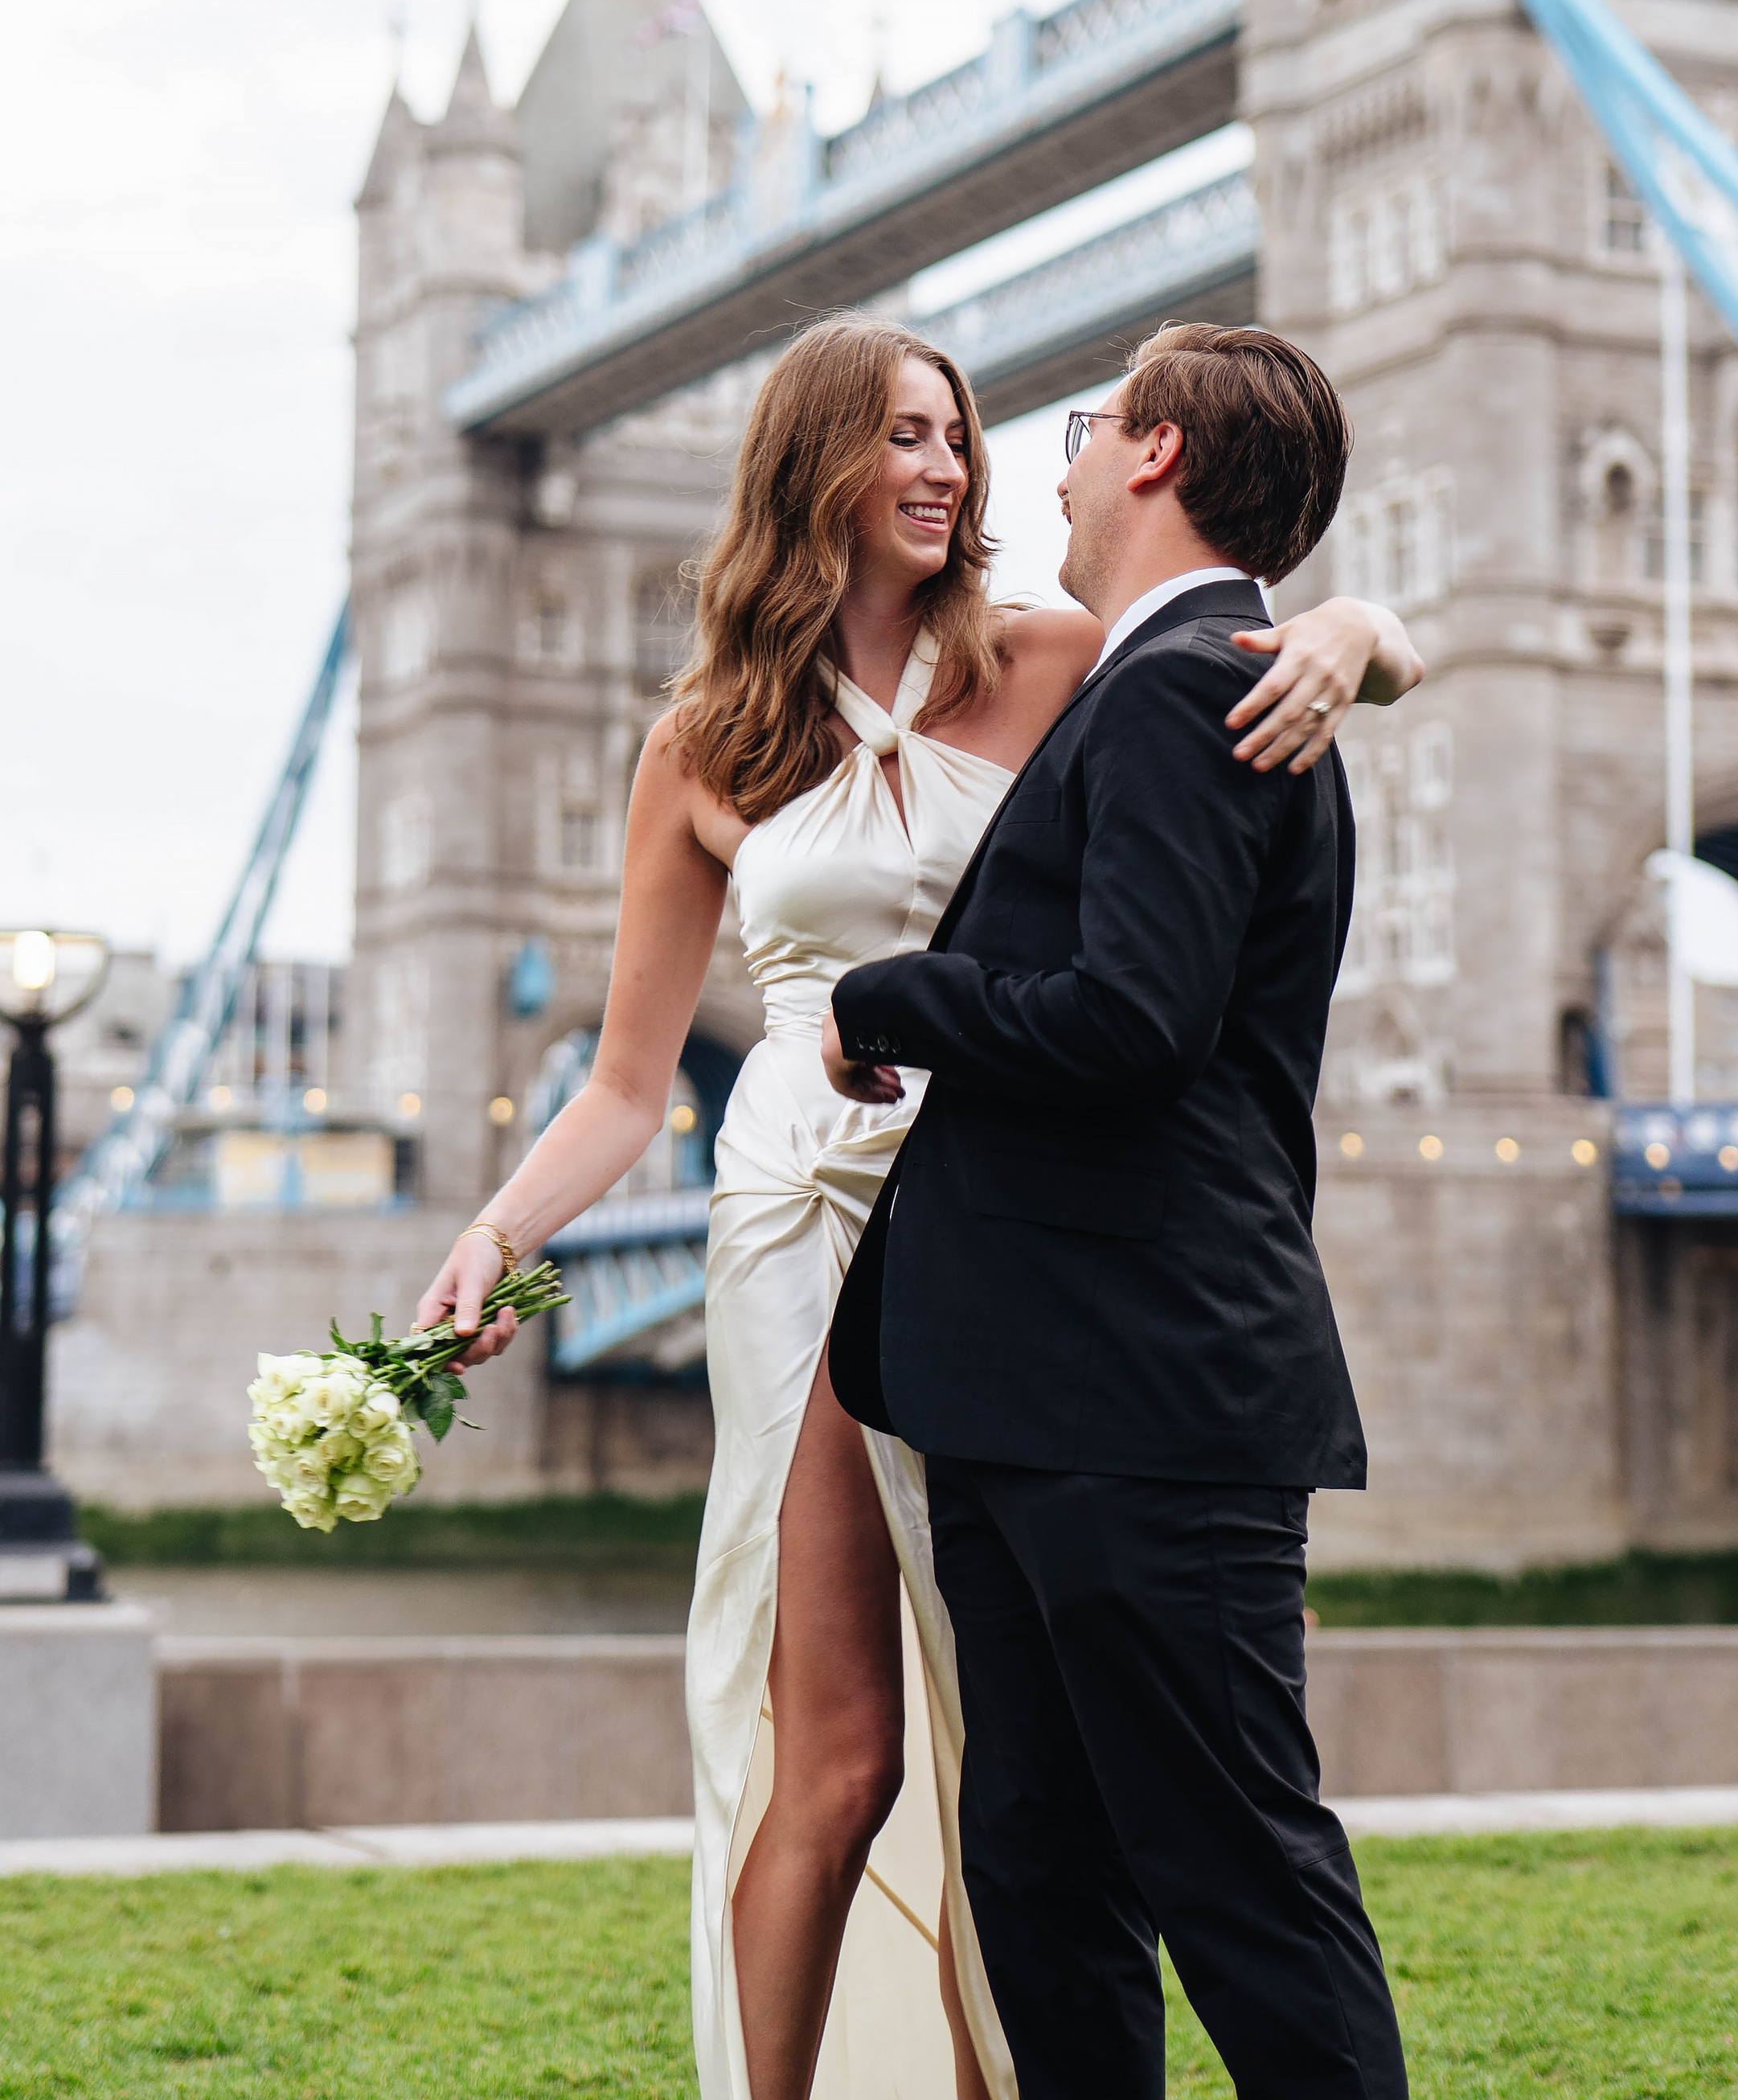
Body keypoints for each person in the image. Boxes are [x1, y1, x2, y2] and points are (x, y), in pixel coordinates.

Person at [412, 315, 1422, 2100]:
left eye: (959, 434)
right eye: (903, 434)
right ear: (811, 461)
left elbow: (1220, 646)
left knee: (1028, 1760)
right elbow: (626, 1084)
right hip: (802, 1221)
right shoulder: (701, 745)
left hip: (1020, 1217)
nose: (949, 467)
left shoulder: (1060, 658)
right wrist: (493, 1240)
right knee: (847, 1750)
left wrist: (1357, 630)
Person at [822, 322, 1413, 2100]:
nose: (1058, 464)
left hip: (1145, 1398)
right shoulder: (1190, 671)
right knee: (1043, 1868)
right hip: (1041, 1393)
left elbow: (1133, 1022)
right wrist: (1369, 627)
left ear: (1153, 454)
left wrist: (892, 996)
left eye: (1087, 428)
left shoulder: (1183, 686)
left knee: (1232, 1870)